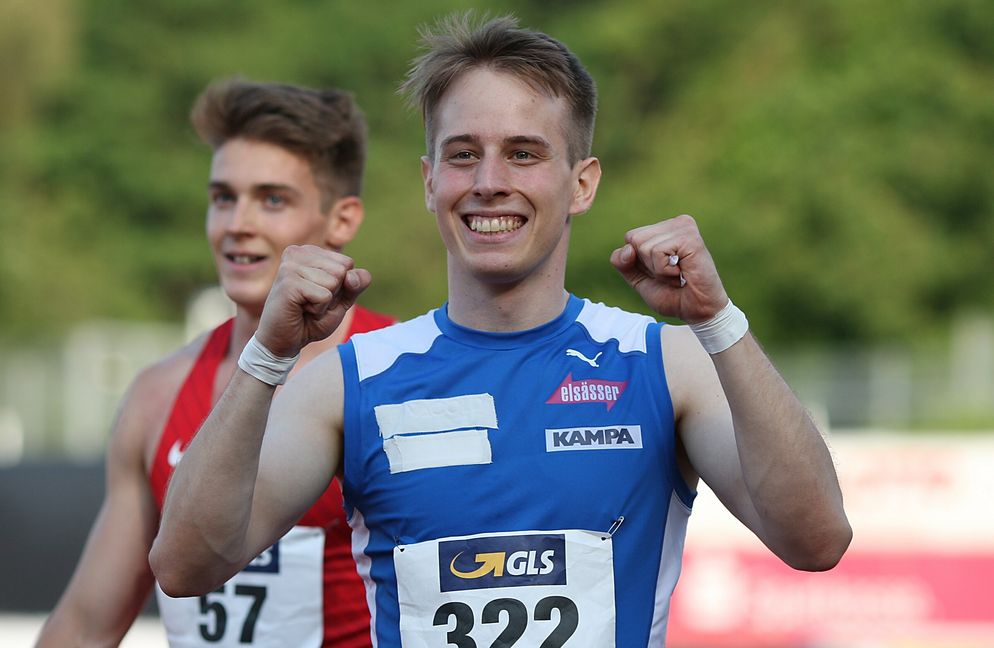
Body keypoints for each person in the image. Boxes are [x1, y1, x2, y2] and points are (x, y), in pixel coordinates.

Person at [151, 15, 852, 647]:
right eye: (462, 154)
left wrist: (720, 322)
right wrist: (269, 356)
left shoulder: (662, 363)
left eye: (523, 153)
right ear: (429, 181)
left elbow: (816, 540)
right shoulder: (351, 380)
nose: (488, 181)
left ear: (582, 183)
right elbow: (185, 565)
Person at [38, 78, 392, 648]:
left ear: (342, 220)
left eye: (272, 199)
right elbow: (85, 625)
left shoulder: (399, 371)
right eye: (223, 197)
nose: (237, 224)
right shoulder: (158, 394)